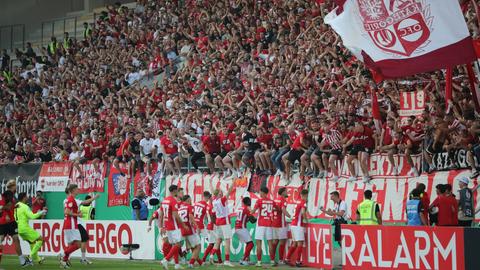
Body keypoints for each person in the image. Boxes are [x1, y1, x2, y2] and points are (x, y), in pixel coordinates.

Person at [60, 185, 99, 268]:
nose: (78, 190)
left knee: (74, 244)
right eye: (77, 189)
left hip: (69, 224)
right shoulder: (71, 199)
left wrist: (76, 212)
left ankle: (64, 260)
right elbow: (66, 212)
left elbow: (67, 210)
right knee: (78, 244)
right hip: (71, 224)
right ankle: (64, 255)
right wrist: (78, 214)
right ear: (73, 190)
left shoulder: (69, 200)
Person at [0, 180, 29, 266]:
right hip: (8, 222)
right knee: (16, 239)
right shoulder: (9, 193)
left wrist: (14, 206)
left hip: (6, 221)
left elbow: (6, 205)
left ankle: (22, 261)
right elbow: (7, 206)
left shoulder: (7, 194)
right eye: (15, 186)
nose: (16, 187)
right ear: (12, 186)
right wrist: (6, 213)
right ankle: (22, 261)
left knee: (13, 239)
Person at [160, 185, 188, 270]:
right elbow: (175, 216)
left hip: (167, 225)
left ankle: (176, 264)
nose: (178, 192)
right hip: (174, 225)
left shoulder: (164, 200)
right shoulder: (173, 201)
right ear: (175, 191)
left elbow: (161, 214)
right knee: (178, 244)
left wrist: (162, 226)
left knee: (174, 245)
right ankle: (166, 259)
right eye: (177, 190)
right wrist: (183, 225)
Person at [14, 192, 47, 265]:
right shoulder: (25, 207)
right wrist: (42, 212)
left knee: (32, 243)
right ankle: (30, 257)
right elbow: (32, 216)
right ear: (23, 198)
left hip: (19, 228)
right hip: (25, 228)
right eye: (26, 197)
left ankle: (39, 260)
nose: (27, 198)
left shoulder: (16, 206)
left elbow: (15, 218)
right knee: (41, 239)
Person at [211, 184, 235, 267]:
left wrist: (211, 182)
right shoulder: (221, 200)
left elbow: (213, 191)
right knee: (227, 241)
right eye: (221, 192)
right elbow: (229, 191)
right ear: (219, 194)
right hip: (224, 221)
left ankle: (211, 255)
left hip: (218, 221)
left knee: (218, 240)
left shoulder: (214, 201)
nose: (222, 193)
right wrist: (234, 181)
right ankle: (227, 260)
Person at [251, 187, 275, 266]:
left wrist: (249, 211)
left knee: (258, 243)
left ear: (264, 193)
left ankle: (259, 262)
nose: (260, 194)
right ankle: (272, 261)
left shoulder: (259, 201)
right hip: (269, 224)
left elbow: (253, 211)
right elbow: (276, 209)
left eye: (260, 192)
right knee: (270, 243)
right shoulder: (272, 201)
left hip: (261, 224)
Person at [286, 189, 308, 267]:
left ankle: (287, 258)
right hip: (298, 225)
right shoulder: (303, 202)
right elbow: (302, 212)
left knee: (294, 243)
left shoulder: (297, 201)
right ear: (305, 195)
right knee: (300, 243)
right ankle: (298, 261)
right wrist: (306, 220)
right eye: (307, 196)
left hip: (293, 224)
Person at [178, 195, 202, 267]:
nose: (191, 201)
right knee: (198, 246)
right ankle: (191, 263)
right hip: (189, 229)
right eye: (190, 200)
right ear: (188, 200)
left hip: (182, 229)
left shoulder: (180, 208)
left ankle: (200, 263)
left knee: (192, 247)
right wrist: (197, 226)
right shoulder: (189, 207)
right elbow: (191, 216)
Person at [272, 187, 290, 264]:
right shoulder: (283, 200)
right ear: (282, 192)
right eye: (286, 191)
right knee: (282, 241)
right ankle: (280, 260)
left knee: (275, 241)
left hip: (274, 222)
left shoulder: (275, 199)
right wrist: (290, 216)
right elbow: (283, 209)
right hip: (281, 223)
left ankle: (272, 259)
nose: (287, 192)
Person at [235, 197, 255, 265]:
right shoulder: (246, 208)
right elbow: (253, 220)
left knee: (248, 243)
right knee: (251, 244)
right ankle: (243, 260)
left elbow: (245, 218)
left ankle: (246, 259)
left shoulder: (240, 208)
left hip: (237, 228)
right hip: (242, 228)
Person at [78, 194, 98, 264]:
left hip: (79, 225)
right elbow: (92, 218)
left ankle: (66, 256)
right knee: (84, 241)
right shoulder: (91, 208)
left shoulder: (80, 207)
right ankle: (83, 258)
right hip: (88, 225)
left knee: (76, 242)